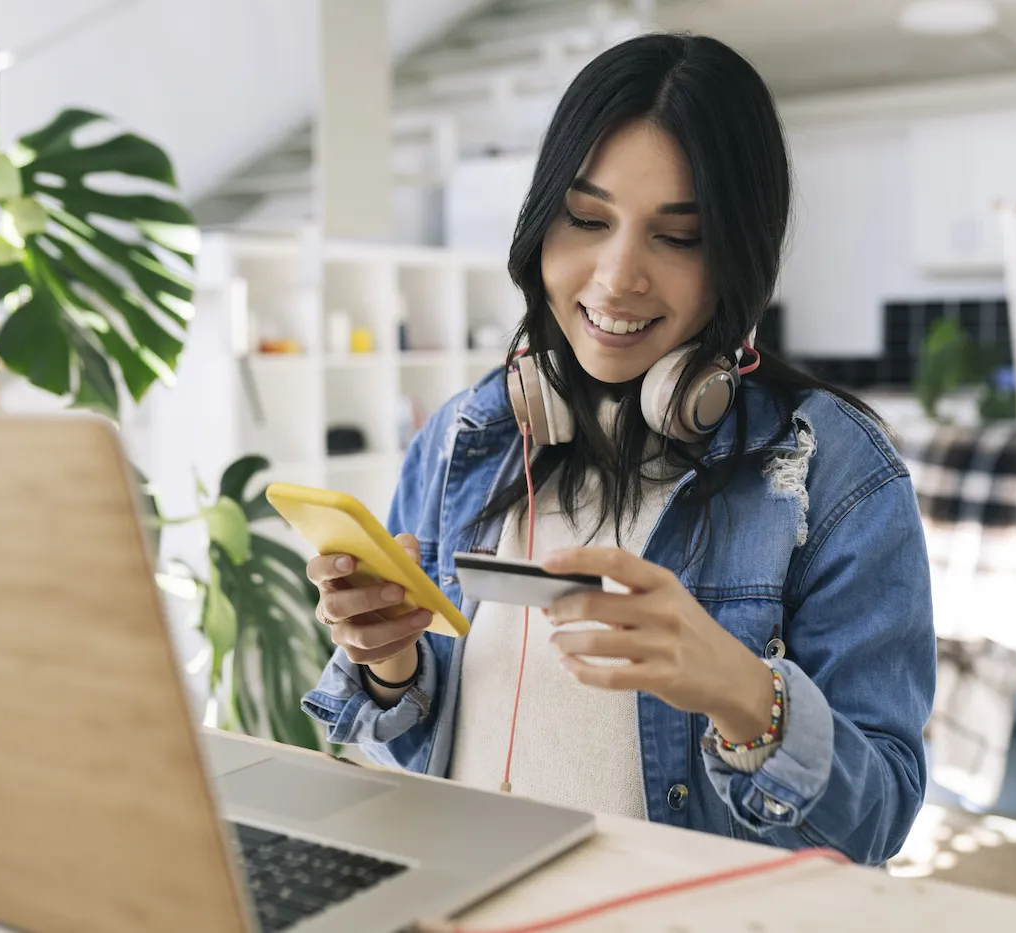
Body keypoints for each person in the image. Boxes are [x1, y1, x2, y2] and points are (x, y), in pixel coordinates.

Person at [301, 32, 935, 866]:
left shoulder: (834, 471)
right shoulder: (466, 437)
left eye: (678, 236)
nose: (617, 275)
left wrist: (743, 693)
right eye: (588, 219)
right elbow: (421, 762)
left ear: (738, 258)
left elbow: (876, 821)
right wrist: (387, 665)